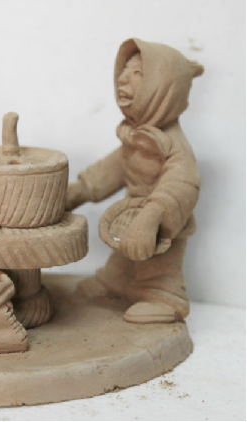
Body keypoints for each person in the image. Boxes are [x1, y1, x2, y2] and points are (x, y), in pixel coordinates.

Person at [67, 38, 204, 324]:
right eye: (123, 72)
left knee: (157, 266)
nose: (123, 80)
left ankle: (164, 298)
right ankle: (115, 283)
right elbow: (115, 166)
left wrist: (152, 216)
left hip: (160, 223)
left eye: (138, 73)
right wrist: (82, 189)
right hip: (130, 216)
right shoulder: (136, 136)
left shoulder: (174, 147)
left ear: (165, 89)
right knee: (124, 259)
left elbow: (182, 186)